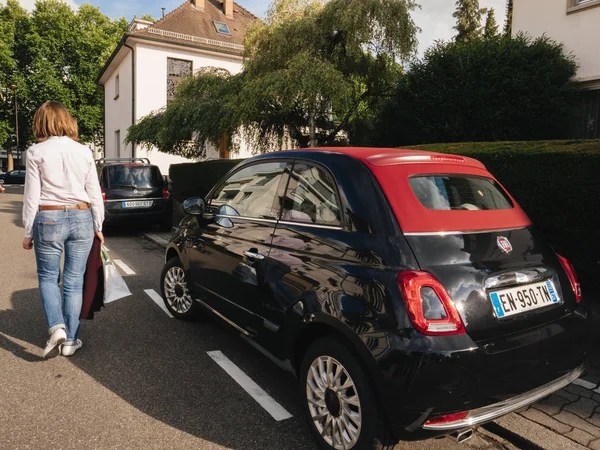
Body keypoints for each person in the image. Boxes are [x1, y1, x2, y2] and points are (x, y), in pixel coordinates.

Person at [22, 101, 105, 358]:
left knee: (48, 277)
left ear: (41, 122)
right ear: (66, 120)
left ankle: (56, 326)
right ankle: (71, 340)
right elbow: (94, 192)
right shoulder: (84, 151)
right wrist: (98, 225)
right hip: (82, 216)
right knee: (73, 281)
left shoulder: (36, 152)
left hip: (48, 216)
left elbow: (31, 195)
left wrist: (27, 231)